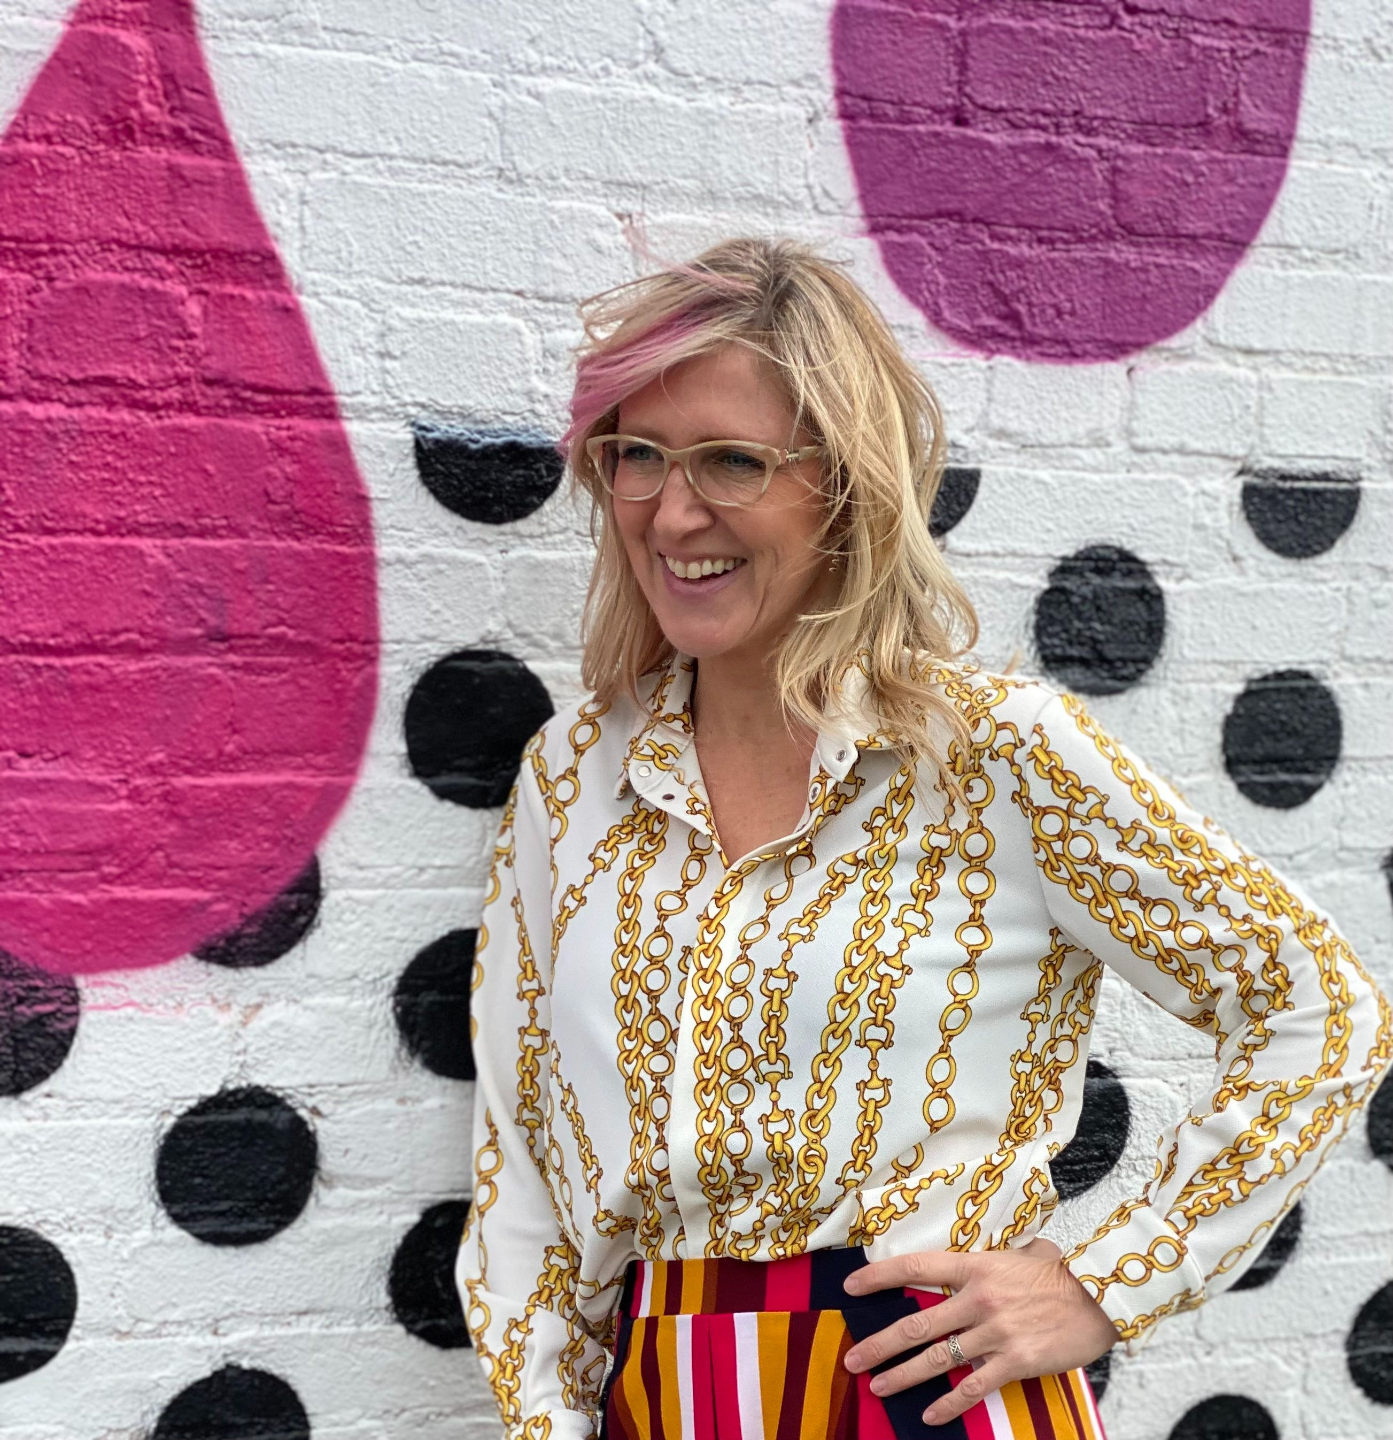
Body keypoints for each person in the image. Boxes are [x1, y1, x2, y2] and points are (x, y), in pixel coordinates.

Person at [456, 237, 1390, 1440]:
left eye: (732, 460)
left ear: (845, 486)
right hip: (663, 1391)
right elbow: (522, 1164)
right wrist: (548, 1419)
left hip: (929, 1397)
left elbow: (1317, 1008)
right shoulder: (574, 777)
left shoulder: (992, 756)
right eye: (637, 454)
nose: (673, 511)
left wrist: (1104, 1283)